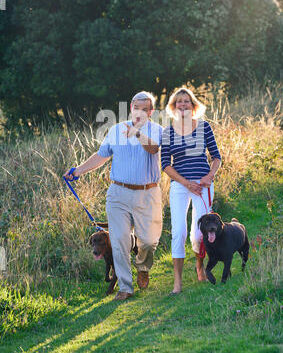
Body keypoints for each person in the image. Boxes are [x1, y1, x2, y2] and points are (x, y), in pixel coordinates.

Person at [64, 91, 163, 300]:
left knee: (148, 241)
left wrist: (136, 133)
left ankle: (143, 267)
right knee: (119, 241)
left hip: (148, 193)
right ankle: (125, 287)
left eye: (145, 109)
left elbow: (153, 149)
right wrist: (78, 171)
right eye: (137, 108)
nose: (140, 112)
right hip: (118, 193)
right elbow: (101, 156)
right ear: (131, 108)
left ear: (151, 111)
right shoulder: (116, 130)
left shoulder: (158, 130)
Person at [161, 87, 221, 295]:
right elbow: (165, 165)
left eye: (187, 101)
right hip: (180, 185)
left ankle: (199, 265)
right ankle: (177, 283)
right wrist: (187, 183)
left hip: (203, 185)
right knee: (179, 232)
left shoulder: (204, 127)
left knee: (199, 234)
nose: (183, 105)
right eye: (179, 102)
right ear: (174, 107)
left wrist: (208, 177)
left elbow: (216, 157)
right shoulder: (168, 131)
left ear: (193, 106)